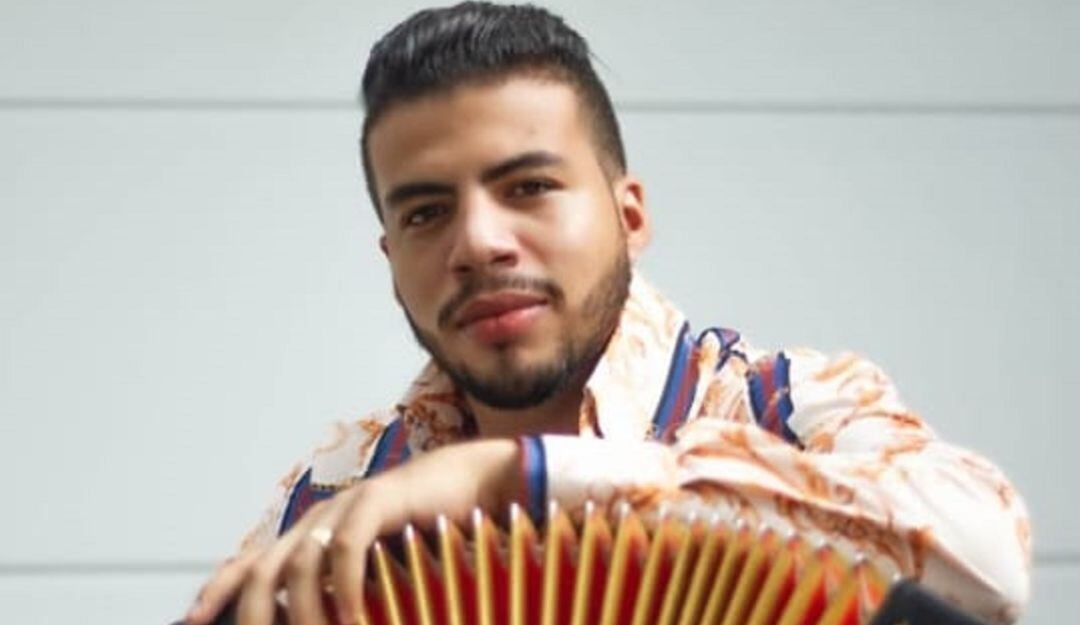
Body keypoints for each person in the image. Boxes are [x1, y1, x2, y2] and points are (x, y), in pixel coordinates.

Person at [184, 3, 1030, 625]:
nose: (477, 243)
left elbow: (988, 561)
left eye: (529, 187)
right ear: (391, 260)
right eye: (426, 212)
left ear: (630, 216)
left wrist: (516, 475)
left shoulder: (785, 404)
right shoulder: (338, 488)